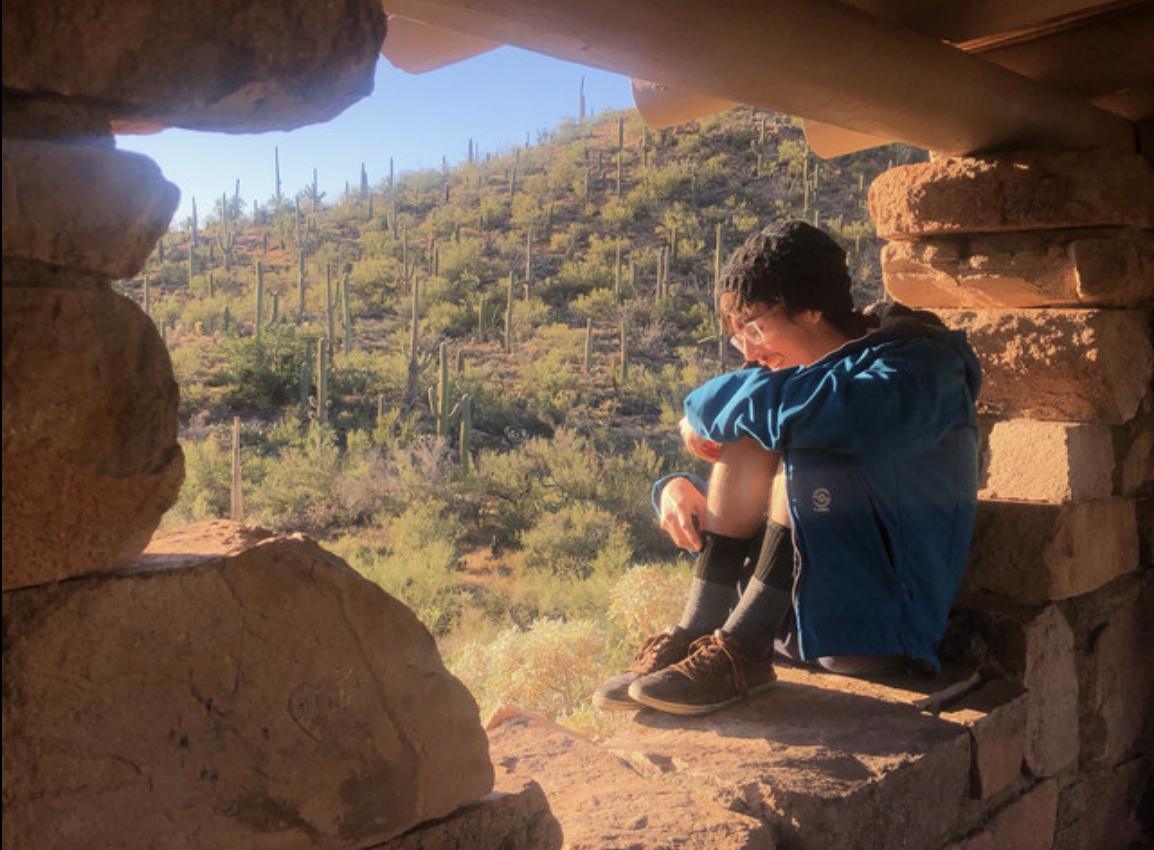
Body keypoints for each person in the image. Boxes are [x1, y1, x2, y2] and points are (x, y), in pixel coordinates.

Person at [593, 220, 982, 716]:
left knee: (806, 424)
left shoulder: (922, 368)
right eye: (738, 339)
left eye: (755, 328)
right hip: (793, 627)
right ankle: (701, 631)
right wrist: (679, 487)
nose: (749, 351)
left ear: (812, 307)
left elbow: (845, 421)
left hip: (873, 628)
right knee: (760, 420)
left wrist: (699, 409)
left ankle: (745, 643)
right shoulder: (797, 380)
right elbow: (771, 473)